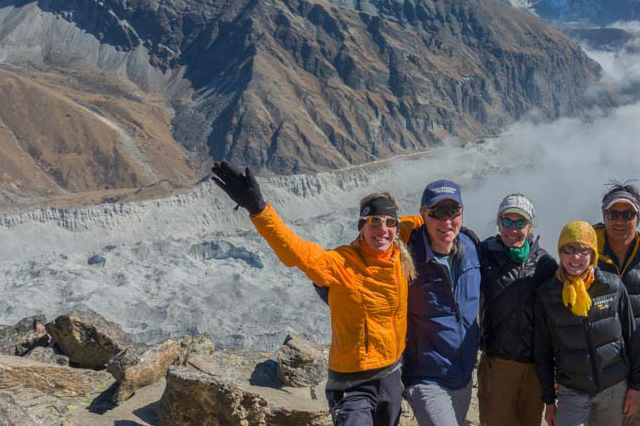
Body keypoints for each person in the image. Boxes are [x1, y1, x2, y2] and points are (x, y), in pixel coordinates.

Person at [210, 162, 412, 426]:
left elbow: (430, 221)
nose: (382, 229)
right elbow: (295, 252)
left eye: (389, 222)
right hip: (352, 383)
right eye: (374, 221)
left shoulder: (399, 255)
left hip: (391, 376)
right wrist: (258, 208)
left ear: (397, 229)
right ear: (361, 226)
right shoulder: (340, 263)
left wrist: (448, 220)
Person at [535, 221, 640, 426]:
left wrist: (635, 387)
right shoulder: (548, 294)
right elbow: (543, 350)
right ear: (560, 252)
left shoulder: (612, 286)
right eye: (569, 249)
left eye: (584, 250)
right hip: (572, 391)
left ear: (593, 255)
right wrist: (549, 401)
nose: (576, 257)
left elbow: (633, 338)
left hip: (613, 388)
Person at [401, 180, 482, 426]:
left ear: (462, 212)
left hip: (463, 376)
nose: (446, 221)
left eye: (452, 212)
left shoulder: (471, 246)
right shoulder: (406, 255)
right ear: (423, 214)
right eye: (437, 213)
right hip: (426, 377)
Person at [592, 182, 640, 426]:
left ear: (638, 217)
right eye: (613, 214)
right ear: (604, 215)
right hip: (594, 368)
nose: (620, 221)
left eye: (628, 214)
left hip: (637, 368)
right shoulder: (585, 257)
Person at [476, 194, 559, 426]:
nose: (513, 229)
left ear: (530, 225)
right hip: (497, 365)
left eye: (520, 223)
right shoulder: (484, 254)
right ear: (498, 222)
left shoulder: (545, 264)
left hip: (534, 368)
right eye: (507, 222)